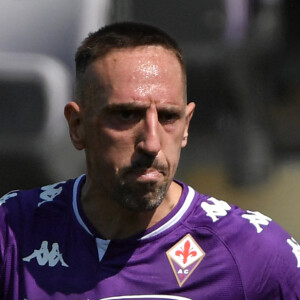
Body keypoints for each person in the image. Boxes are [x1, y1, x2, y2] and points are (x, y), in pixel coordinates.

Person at [0, 22, 299, 300]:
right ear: (77, 126)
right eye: (126, 116)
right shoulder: (12, 230)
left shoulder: (254, 252)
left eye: (169, 117)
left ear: (186, 126)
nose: (151, 144)